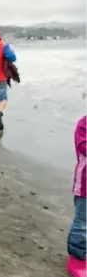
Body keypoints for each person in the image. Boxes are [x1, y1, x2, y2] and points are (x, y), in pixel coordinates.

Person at [67, 115, 86, 277]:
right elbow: (83, 146)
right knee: (82, 223)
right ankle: (77, 256)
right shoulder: (84, 123)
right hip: (85, 185)